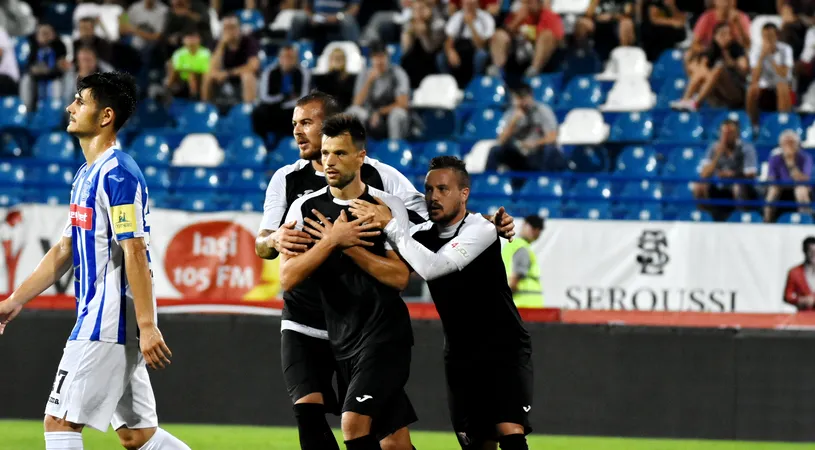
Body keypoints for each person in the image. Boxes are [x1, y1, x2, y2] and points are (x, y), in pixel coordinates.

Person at [254, 91, 515, 450]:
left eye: (307, 123)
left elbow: (431, 218)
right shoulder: (291, 188)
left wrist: (481, 225)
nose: (298, 132)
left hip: (371, 326)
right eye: (294, 124)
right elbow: (265, 248)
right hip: (307, 319)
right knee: (333, 422)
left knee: (362, 427)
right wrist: (276, 240)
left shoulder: (385, 185)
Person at [0, 72, 190, 450]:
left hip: (108, 322)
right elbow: (65, 249)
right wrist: (15, 301)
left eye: (80, 101)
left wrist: (147, 324)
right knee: (137, 436)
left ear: (105, 116)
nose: (70, 107)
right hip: (106, 319)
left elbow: (135, 248)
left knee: (60, 420)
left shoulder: (118, 174)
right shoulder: (87, 174)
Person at [349, 156, 534, 450]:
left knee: (509, 429)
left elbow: (433, 267)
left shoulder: (482, 230)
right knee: (477, 442)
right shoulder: (420, 235)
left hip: (503, 347)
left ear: (464, 194)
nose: (434, 197)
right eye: (429, 190)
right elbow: (397, 241)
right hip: (460, 353)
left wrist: (392, 226)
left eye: (443, 189)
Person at [280, 114, 418, 450]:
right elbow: (287, 277)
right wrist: (330, 241)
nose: (329, 161)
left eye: (340, 153)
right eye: (325, 152)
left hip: (385, 336)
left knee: (353, 423)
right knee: (395, 443)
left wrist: (349, 245)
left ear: (360, 157)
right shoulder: (304, 207)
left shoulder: (386, 206)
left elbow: (400, 278)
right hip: (342, 339)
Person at [671, 22, 749, 111]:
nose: (726, 37)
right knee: (700, 71)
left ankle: (696, 103)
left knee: (719, 68)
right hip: (717, 94)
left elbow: (744, 73)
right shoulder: (712, 50)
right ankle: (685, 100)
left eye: (728, 34)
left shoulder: (736, 48)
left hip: (735, 92)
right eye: (722, 34)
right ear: (715, 37)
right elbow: (700, 70)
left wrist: (732, 63)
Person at [487, 83, 563, 172]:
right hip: (519, 154)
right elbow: (501, 140)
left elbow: (553, 137)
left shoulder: (543, 110)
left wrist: (534, 144)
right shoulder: (510, 113)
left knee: (549, 150)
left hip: (537, 152)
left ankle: (543, 181)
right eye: (517, 98)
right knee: (495, 150)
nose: (522, 102)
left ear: (531, 96)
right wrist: (514, 121)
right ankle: (487, 180)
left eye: (524, 97)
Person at [693, 118, 758, 221]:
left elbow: (751, 174)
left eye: (730, 133)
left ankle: (740, 218)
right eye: (724, 133)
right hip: (719, 187)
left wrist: (732, 175)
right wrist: (718, 154)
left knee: (737, 186)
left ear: (737, 134)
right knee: (699, 186)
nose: (727, 136)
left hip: (742, 188)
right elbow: (704, 174)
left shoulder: (746, 148)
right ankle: (706, 218)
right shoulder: (713, 148)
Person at [347, 42, 411, 140]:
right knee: (353, 112)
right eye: (375, 57)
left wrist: (379, 112)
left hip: (389, 115)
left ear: (387, 57)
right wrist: (369, 81)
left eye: (382, 56)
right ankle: (358, 150)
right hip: (370, 116)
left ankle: (395, 149)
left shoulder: (398, 73)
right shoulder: (365, 73)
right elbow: (356, 103)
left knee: (397, 114)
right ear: (371, 59)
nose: (379, 61)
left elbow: (403, 104)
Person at [253, 45, 311, 139]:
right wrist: (283, 98)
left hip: (293, 107)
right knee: (258, 113)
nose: (287, 60)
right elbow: (264, 97)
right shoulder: (269, 72)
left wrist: (286, 103)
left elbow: (303, 97)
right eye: (285, 57)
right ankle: (262, 142)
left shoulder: (303, 73)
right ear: (279, 58)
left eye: (291, 57)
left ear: (296, 59)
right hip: (273, 105)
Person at [201, 15, 260, 103]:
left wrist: (228, 73)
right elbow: (212, 67)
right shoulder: (217, 43)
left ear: (239, 29)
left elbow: (253, 66)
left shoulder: (249, 41)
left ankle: (248, 108)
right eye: (226, 28)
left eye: (232, 27)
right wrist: (222, 45)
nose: (229, 31)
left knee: (247, 76)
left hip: (240, 76)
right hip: (224, 77)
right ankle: (206, 108)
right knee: (208, 76)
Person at [747, 23, 794, 128]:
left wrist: (772, 58)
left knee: (781, 85)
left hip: (783, 87)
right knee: (752, 89)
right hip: (764, 88)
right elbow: (754, 78)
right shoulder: (756, 51)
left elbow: (784, 74)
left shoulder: (786, 49)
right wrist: (761, 58)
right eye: (765, 36)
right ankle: (753, 126)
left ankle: (783, 124)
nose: (767, 39)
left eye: (770, 36)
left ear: (777, 36)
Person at [764, 129, 812, 222]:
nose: (789, 146)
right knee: (772, 190)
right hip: (781, 188)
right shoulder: (775, 158)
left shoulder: (805, 158)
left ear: (797, 144)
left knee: (801, 190)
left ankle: (806, 220)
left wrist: (791, 163)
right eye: (786, 143)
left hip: (799, 187)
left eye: (791, 143)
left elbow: (805, 179)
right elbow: (771, 178)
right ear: (781, 145)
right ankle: (767, 220)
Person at [502, 215, 544, 308]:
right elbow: (514, 280)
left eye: (538, 228)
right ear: (524, 225)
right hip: (524, 307)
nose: (535, 231)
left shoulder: (512, 246)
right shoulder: (522, 248)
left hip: (520, 307)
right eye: (533, 227)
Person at [165, 27, 211, 100]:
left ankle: (197, 98)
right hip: (182, 79)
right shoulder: (178, 53)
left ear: (199, 39)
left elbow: (206, 70)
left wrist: (189, 70)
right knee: (170, 65)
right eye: (189, 37)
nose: (191, 40)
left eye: (194, 37)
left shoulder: (206, 53)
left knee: (192, 76)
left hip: (200, 79)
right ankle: (166, 93)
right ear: (183, 40)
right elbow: (177, 68)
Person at [784, 236, 815, 311]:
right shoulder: (795, 272)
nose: (813, 254)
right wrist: (799, 300)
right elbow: (787, 296)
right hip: (803, 316)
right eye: (810, 251)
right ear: (804, 251)